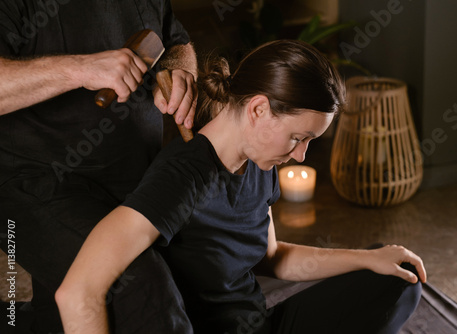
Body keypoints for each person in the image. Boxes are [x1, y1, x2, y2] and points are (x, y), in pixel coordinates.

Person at [56, 39, 427, 334]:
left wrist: (366, 258)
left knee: (397, 278)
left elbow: (273, 257)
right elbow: (78, 291)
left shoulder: (260, 164)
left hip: (261, 325)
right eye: (298, 138)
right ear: (258, 109)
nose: (301, 156)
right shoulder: (182, 175)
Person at [0, 1, 197, 333]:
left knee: (66, 315)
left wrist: (182, 72)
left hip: (136, 180)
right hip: (33, 184)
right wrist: (77, 68)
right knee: (139, 286)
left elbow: (176, 42)